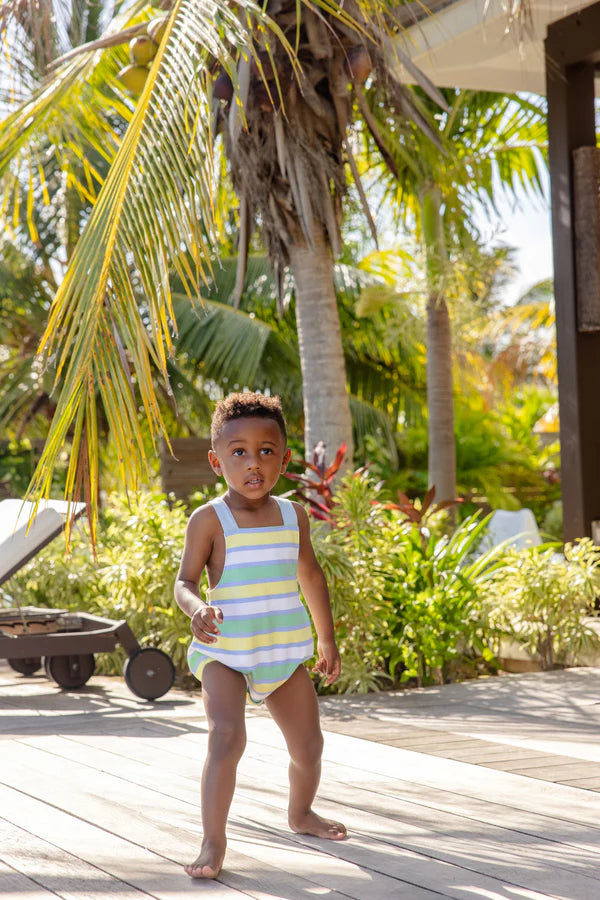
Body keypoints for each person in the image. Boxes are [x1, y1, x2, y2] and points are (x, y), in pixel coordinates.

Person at [174, 392, 346, 879]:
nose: (254, 463)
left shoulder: (293, 516)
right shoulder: (209, 519)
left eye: (266, 451)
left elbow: (311, 576)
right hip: (224, 651)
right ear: (216, 460)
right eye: (239, 452)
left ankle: (301, 813)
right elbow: (184, 582)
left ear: (285, 459)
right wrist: (196, 608)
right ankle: (213, 842)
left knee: (308, 747)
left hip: (281, 652)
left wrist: (326, 640)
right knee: (227, 737)